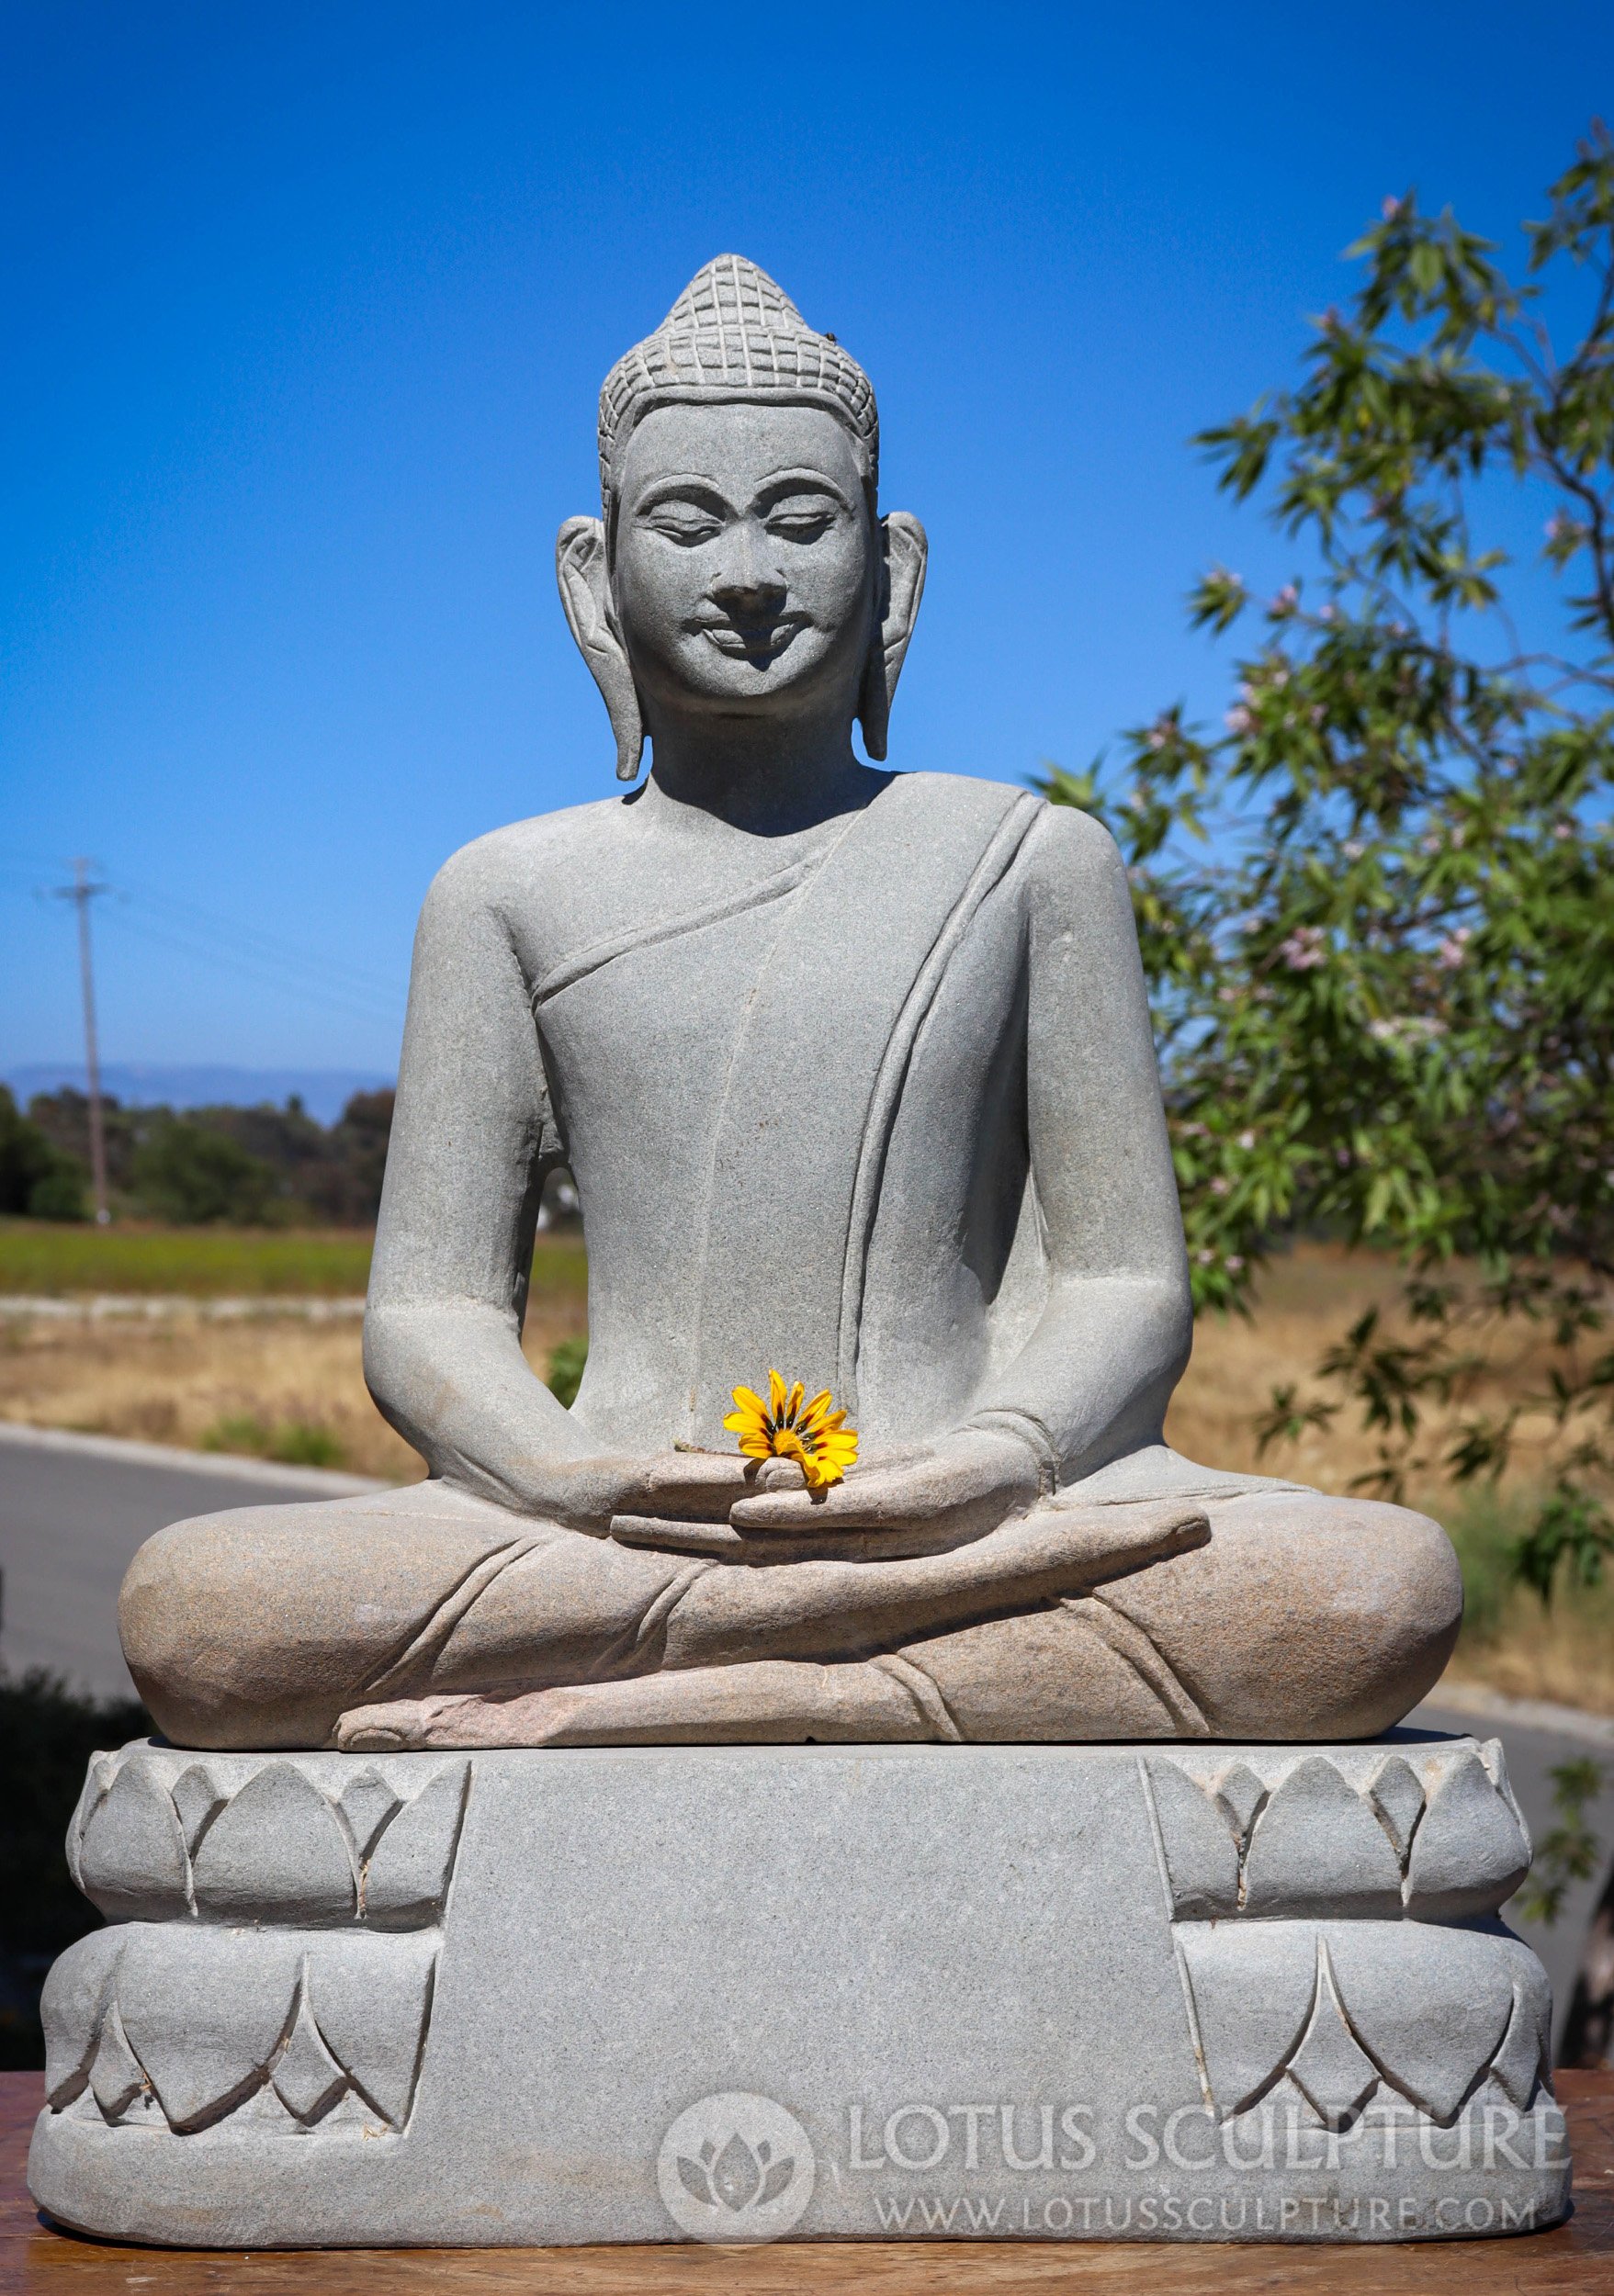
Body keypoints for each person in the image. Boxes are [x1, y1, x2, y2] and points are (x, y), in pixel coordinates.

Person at [120, 258, 1460, 1752]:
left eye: (800, 521)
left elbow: (1125, 1283)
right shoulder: (505, 890)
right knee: (195, 1612)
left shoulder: (1028, 860)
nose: (747, 572)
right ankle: (864, 1680)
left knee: (1370, 1589)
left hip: (972, 1519)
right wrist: (575, 1480)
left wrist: (992, 1463)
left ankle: (723, 1689)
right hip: (624, 1522)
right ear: (592, 570)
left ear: (889, 573)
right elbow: (431, 1312)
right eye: (686, 522)